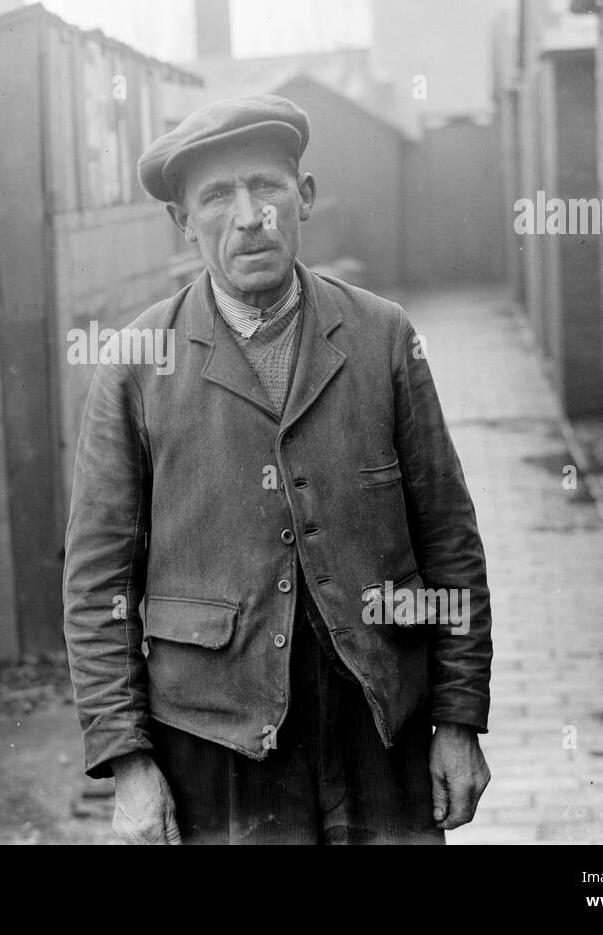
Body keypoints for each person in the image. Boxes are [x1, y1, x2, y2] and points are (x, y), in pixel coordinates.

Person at [62, 94, 492, 844]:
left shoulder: (382, 337)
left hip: (378, 724)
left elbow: (449, 542)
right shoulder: (137, 362)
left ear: (307, 196)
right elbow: (97, 584)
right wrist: (128, 763)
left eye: (268, 187)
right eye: (217, 196)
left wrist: (457, 718)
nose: (249, 215)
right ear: (182, 221)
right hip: (214, 742)